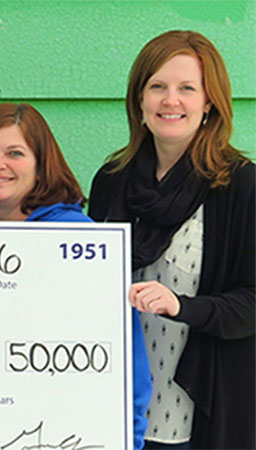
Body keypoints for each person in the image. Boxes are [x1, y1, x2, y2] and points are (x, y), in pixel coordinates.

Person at [87, 30, 253, 449]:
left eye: (186, 89)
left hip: (201, 403)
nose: (170, 100)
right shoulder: (111, 182)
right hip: (114, 401)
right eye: (157, 86)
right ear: (139, 99)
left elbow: (253, 302)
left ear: (209, 102)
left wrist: (180, 306)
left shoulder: (241, 186)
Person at [0, 102, 153, 448]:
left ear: (40, 165)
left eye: (15, 153)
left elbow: (125, 357)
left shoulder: (81, 242)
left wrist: (130, 439)